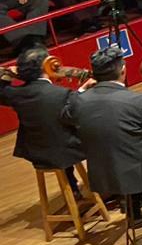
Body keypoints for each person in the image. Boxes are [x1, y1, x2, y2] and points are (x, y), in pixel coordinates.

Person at [62, 45, 142, 229]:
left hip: (105, 174)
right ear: (123, 70)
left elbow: (66, 115)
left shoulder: (78, 102)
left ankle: (134, 212)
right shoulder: (138, 102)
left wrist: (81, 90)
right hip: (141, 172)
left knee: (125, 144)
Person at [0, 46, 87, 194]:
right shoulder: (61, 94)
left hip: (36, 154)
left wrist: (13, 73)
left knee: (55, 133)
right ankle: (115, 191)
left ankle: (72, 188)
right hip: (66, 151)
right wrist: (82, 92)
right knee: (101, 135)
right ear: (47, 64)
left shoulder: (14, 94)